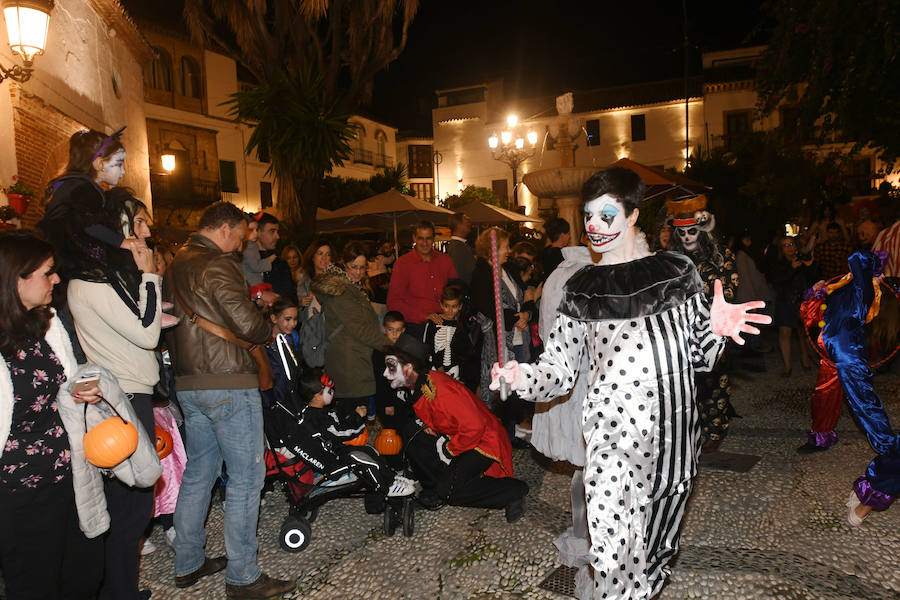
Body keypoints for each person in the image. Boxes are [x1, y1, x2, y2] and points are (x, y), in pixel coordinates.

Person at [491, 166, 770, 600]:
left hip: (672, 443)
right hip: (611, 441)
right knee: (613, 557)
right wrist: (521, 375)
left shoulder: (677, 273)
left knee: (655, 554)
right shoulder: (582, 288)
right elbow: (560, 370)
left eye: (606, 215)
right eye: (588, 216)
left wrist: (715, 329)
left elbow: (701, 356)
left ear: (633, 215)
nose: (593, 226)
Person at [166, 202, 294, 599]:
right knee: (245, 479)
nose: (240, 247)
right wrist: (262, 313)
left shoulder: (174, 265)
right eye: (240, 238)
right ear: (224, 229)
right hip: (228, 381)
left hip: (189, 382)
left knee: (199, 473)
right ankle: (243, 576)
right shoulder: (218, 264)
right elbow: (248, 326)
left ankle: (187, 561)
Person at [66, 189, 162, 600]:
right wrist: (151, 276)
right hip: (121, 399)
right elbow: (148, 332)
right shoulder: (90, 282)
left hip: (130, 393)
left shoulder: (106, 279)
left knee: (132, 507)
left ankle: (121, 589)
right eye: (138, 223)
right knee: (130, 509)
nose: (145, 233)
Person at [0, 231, 107, 600]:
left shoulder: (45, 322)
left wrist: (78, 390)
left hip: (68, 475)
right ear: (16, 279)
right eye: (47, 272)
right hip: (19, 493)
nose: (57, 279)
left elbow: (64, 379)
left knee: (83, 573)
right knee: (35, 583)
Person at [384, 335, 529, 519]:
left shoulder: (441, 390)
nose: (385, 373)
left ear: (408, 369)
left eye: (391, 367)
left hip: (482, 441)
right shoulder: (418, 386)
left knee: (450, 491)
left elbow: (475, 427)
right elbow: (437, 415)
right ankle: (433, 489)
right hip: (458, 436)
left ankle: (513, 491)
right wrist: (430, 427)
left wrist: (448, 449)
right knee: (412, 432)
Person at [37, 127, 140, 361]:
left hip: (64, 268)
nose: (123, 171)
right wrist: (124, 242)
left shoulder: (69, 185)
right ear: (99, 164)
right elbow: (86, 223)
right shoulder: (84, 188)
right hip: (72, 268)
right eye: (118, 163)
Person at [667, 194, 739, 452]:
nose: (687, 237)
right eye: (682, 232)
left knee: (715, 382)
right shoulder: (672, 259)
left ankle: (715, 431)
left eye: (692, 231)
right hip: (681, 332)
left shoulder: (718, 256)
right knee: (686, 384)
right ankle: (691, 431)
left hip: (712, 330)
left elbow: (730, 287)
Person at [281, 368, 414, 500]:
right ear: (316, 396)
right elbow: (341, 432)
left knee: (370, 449)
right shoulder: (314, 419)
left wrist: (351, 418)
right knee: (362, 460)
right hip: (331, 462)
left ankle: (390, 477)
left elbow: (338, 428)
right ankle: (386, 488)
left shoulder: (321, 411)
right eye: (329, 391)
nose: (332, 394)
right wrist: (357, 418)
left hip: (337, 450)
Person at [313, 241, 392, 424]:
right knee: (351, 423)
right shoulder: (342, 291)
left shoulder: (352, 288)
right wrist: (391, 346)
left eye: (362, 267)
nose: (358, 272)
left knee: (354, 421)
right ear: (344, 264)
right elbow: (360, 329)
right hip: (348, 366)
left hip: (354, 362)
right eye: (353, 267)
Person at [471, 228, 535, 446]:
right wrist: (514, 318)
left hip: (518, 338)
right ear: (493, 248)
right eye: (506, 246)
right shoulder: (481, 272)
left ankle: (509, 434)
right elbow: (486, 305)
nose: (509, 251)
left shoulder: (507, 269)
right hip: (496, 341)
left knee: (513, 388)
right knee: (497, 388)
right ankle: (493, 438)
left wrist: (526, 312)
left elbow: (525, 295)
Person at [386, 221, 458, 340]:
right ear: (414, 238)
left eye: (428, 238)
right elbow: (393, 303)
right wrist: (423, 316)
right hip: (416, 327)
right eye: (420, 238)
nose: (424, 243)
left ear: (434, 238)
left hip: (445, 323)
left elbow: (456, 290)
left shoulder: (445, 260)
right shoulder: (403, 264)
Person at [767, 235, 814, 376]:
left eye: (791, 244)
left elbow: (812, 279)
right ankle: (788, 367)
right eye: (785, 246)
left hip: (801, 301)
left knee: (802, 333)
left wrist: (810, 266)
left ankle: (805, 360)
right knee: (785, 333)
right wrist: (791, 268)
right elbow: (777, 281)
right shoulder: (777, 263)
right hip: (785, 300)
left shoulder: (802, 259)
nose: (790, 248)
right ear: (781, 249)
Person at [423, 284, 480, 388]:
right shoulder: (434, 322)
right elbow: (429, 347)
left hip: (455, 371)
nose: (450, 310)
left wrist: (462, 377)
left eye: (454, 306)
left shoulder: (462, 325)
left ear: (460, 306)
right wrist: (439, 367)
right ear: (441, 305)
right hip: (436, 369)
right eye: (446, 306)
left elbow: (464, 354)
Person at [256, 212, 297, 302]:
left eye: (277, 232)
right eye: (272, 231)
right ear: (258, 232)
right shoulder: (244, 262)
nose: (277, 236)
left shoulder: (280, 263)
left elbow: (291, 297)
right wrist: (258, 296)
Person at [241, 216, 275, 287]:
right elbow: (255, 266)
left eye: (257, 230)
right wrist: (269, 260)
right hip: (253, 284)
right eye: (251, 230)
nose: (255, 233)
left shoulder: (250, 245)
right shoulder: (249, 246)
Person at [446, 212, 475, 285]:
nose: (470, 224)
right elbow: (457, 276)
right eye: (467, 222)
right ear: (459, 225)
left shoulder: (460, 245)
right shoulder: (458, 248)